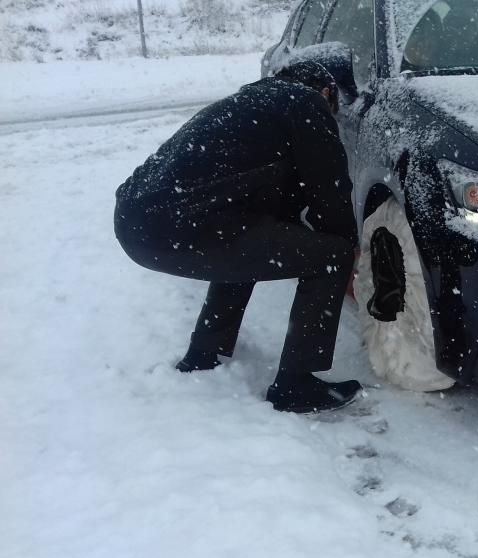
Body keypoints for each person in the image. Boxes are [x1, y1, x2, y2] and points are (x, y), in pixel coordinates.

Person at [114, 60, 362, 413]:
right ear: (325, 91)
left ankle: (203, 352)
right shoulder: (305, 104)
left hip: (136, 224)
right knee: (331, 256)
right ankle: (296, 385)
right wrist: (347, 245)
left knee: (249, 243)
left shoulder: (249, 103)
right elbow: (329, 190)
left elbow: (274, 204)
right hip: (183, 225)